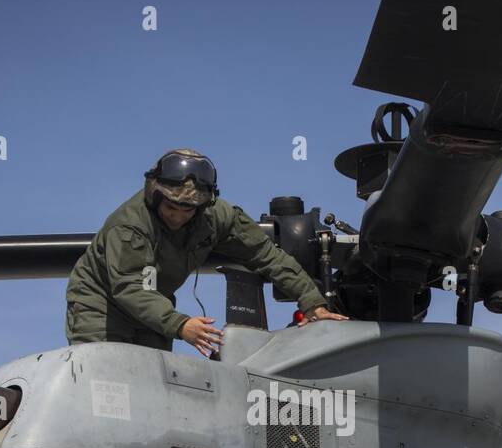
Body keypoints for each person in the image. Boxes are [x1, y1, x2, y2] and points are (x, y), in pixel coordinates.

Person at [65, 148, 347, 355]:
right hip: (102, 306)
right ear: (155, 196)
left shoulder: (218, 217)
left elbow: (266, 255)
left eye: (186, 210)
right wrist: (180, 324)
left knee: (150, 383)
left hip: (156, 304)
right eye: (170, 208)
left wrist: (312, 301)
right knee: (103, 382)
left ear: (202, 207)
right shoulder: (130, 226)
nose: (177, 216)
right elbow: (129, 287)